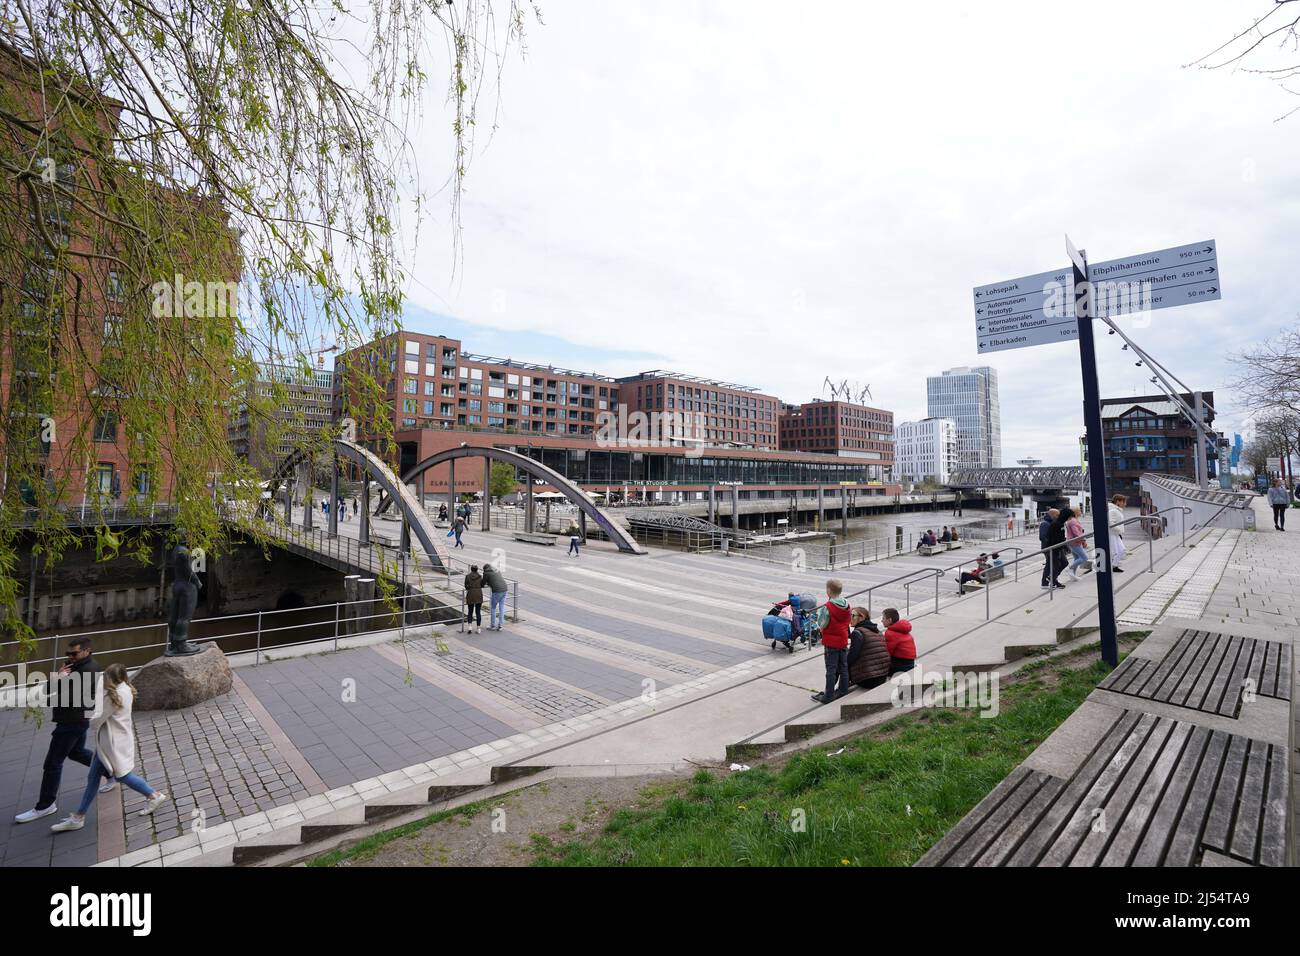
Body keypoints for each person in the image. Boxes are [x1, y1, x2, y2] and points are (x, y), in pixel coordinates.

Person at [50, 663, 168, 832]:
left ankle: (154, 795)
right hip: (112, 741)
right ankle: (79, 816)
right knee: (93, 777)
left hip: (111, 744)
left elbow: (95, 721)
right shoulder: (125, 688)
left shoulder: (114, 696)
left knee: (122, 775)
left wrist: (82, 712)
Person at [14, 638, 105, 824]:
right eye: (68, 654)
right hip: (77, 719)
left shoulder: (87, 670)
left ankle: (45, 805)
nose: (70, 657)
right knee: (77, 753)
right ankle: (112, 772)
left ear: (87, 651)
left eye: (75, 653)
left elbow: (59, 696)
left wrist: (57, 679)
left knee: (52, 764)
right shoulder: (74, 667)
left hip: (71, 722)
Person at [811, 579, 851, 703]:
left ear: (828, 591)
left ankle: (828, 695)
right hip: (843, 640)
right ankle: (843, 690)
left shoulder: (827, 607)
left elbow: (822, 623)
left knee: (831, 669)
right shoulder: (847, 604)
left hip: (831, 642)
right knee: (843, 666)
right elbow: (848, 620)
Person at [846, 607, 889, 691]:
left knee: (841, 656)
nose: (850, 618)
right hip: (882, 676)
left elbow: (851, 658)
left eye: (852, 615)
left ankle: (840, 688)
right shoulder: (877, 630)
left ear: (862, 617)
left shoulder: (858, 632)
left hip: (868, 680)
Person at [881, 608, 916, 675]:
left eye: (883, 618)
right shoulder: (902, 629)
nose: (881, 621)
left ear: (889, 620)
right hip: (910, 663)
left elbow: (887, 653)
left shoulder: (890, 633)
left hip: (900, 666)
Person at [1063, 507, 1091, 581]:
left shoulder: (1072, 520)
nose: (1081, 511)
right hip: (1075, 542)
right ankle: (1069, 568)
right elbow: (1077, 533)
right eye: (1079, 510)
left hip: (1073, 542)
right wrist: (1083, 541)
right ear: (1075, 512)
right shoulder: (1073, 521)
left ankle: (1073, 575)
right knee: (1085, 558)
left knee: (1076, 558)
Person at [1047, 507, 1070, 588]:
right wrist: (1063, 545)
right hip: (1053, 548)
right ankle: (1053, 580)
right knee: (1056, 565)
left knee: (1064, 563)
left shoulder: (1061, 523)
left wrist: (1065, 546)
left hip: (1060, 547)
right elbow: (1053, 537)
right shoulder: (1056, 524)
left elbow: (1062, 536)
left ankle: (1052, 578)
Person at [484, 563, 509, 630]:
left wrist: (488, 582)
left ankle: (492, 625)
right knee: (502, 608)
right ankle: (500, 625)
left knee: (493, 608)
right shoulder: (497, 570)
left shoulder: (486, 573)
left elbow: (482, 583)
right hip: (505, 589)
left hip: (497, 591)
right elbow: (496, 580)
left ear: (485, 569)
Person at [1039, 508, 1060, 589]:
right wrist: (1051, 544)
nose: (1059, 516)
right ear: (1052, 515)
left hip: (1054, 547)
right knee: (1051, 564)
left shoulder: (1053, 522)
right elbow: (1042, 537)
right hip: (1048, 548)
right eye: (1057, 515)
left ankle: (1051, 580)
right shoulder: (1045, 524)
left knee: (1057, 563)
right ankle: (1046, 582)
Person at [1108, 494, 1127, 573]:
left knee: (1122, 550)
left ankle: (1114, 566)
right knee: (1115, 551)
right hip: (1112, 534)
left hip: (1116, 534)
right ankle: (1113, 566)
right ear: (1118, 502)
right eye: (1123, 502)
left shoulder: (1117, 510)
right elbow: (1110, 522)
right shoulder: (1113, 510)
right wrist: (1119, 530)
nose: (1125, 504)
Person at [463, 565, 484, 633]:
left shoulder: (468, 576)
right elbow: (482, 585)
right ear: (477, 569)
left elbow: (466, 585)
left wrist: (469, 588)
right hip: (478, 594)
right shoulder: (480, 576)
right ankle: (478, 628)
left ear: (471, 569)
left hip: (471, 594)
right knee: (478, 612)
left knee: (470, 611)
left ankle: (470, 627)